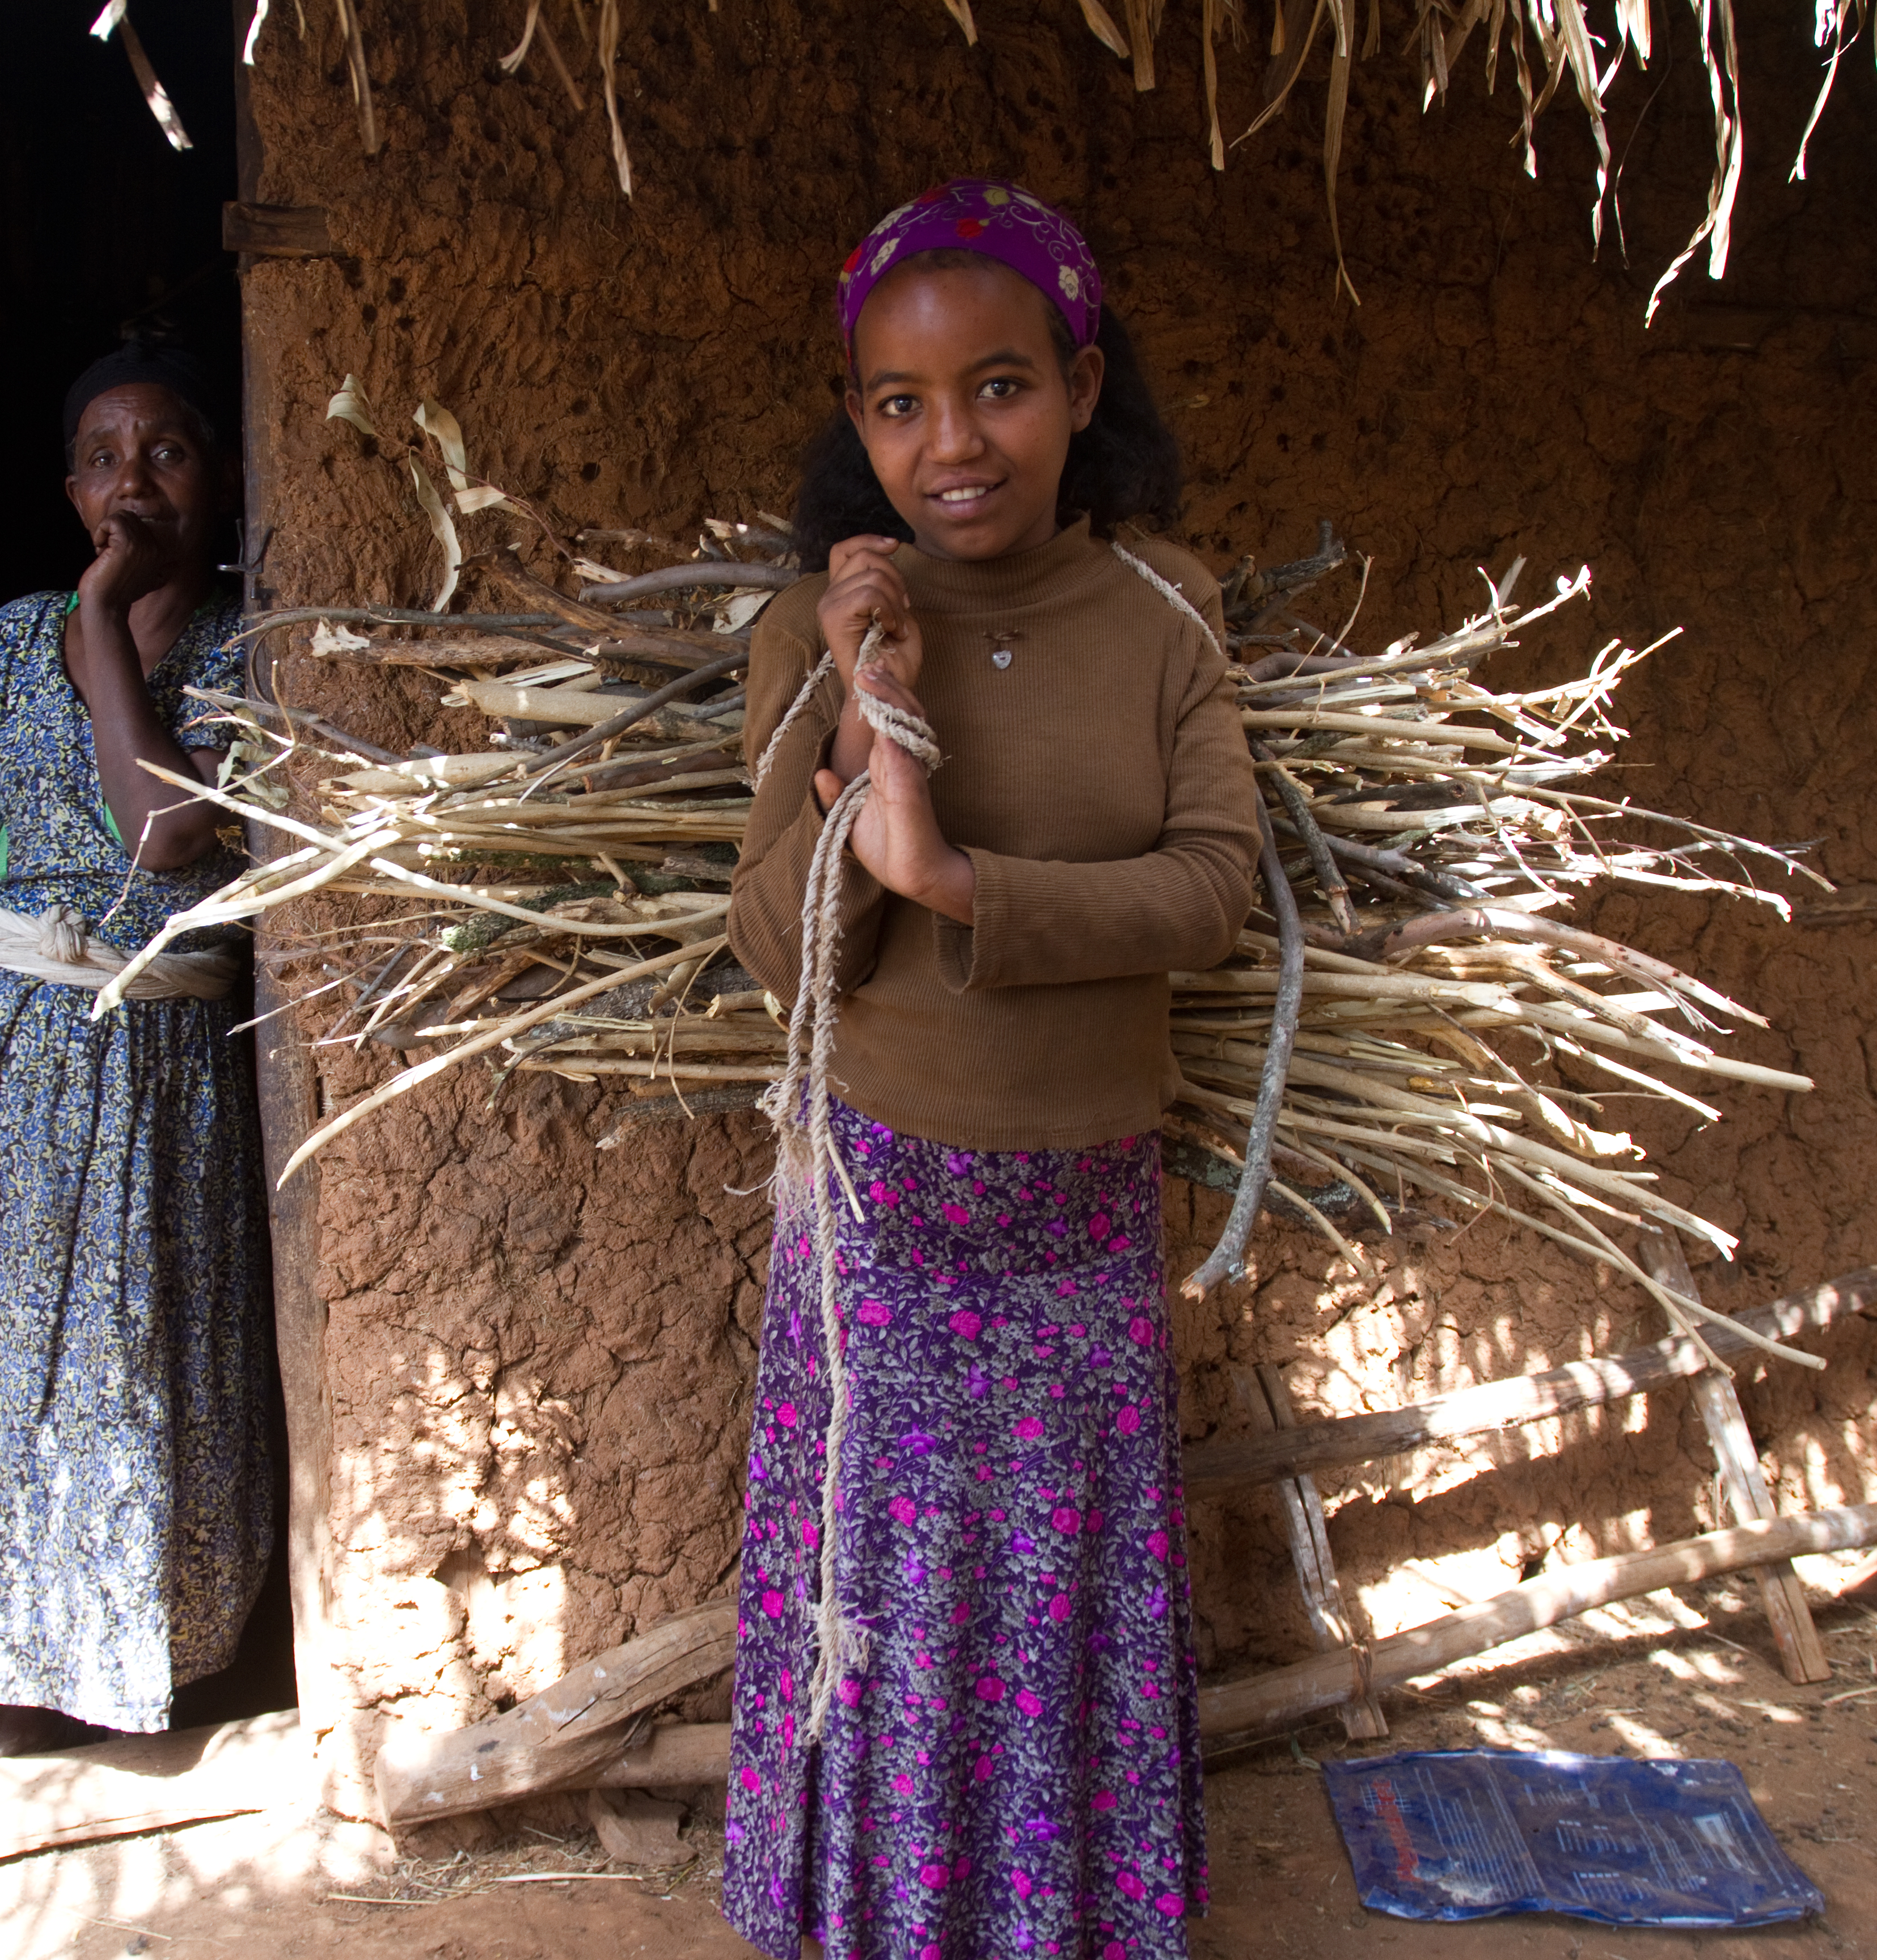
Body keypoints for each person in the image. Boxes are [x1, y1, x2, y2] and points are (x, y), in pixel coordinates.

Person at [720, 181, 1262, 1959]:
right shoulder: (813, 632)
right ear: (860, 419)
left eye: (1001, 388)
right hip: (881, 1217)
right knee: (888, 1593)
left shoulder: (1165, 619)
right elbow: (775, 941)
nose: (951, 444)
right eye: (900, 404)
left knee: (1055, 1598)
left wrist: (964, 884)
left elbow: (1214, 889)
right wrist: (860, 725)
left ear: (1084, 388)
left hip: (1082, 1217)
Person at [0, 338, 276, 1753]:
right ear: (70, 490)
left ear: (223, 475)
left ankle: (142, 1666)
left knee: (129, 1372)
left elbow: (166, 831)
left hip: (153, 1074)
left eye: (166, 451)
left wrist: (102, 617)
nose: (130, 481)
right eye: (101, 458)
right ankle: (4, 1675)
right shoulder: (6, 638)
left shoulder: (253, 652)